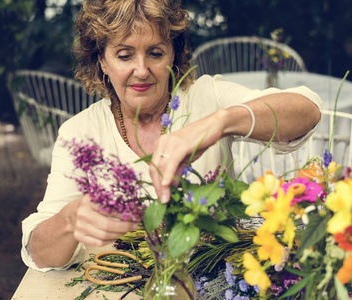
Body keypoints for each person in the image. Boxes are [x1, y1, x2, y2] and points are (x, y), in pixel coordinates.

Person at [21, 0, 322, 271]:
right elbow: (38, 251)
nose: (141, 70)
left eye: (155, 53)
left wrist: (220, 122)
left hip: (211, 280)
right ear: (102, 61)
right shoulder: (79, 132)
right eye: (124, 55)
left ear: (173, 55)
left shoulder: (205, 98)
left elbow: (307, 109)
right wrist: (69, 221)